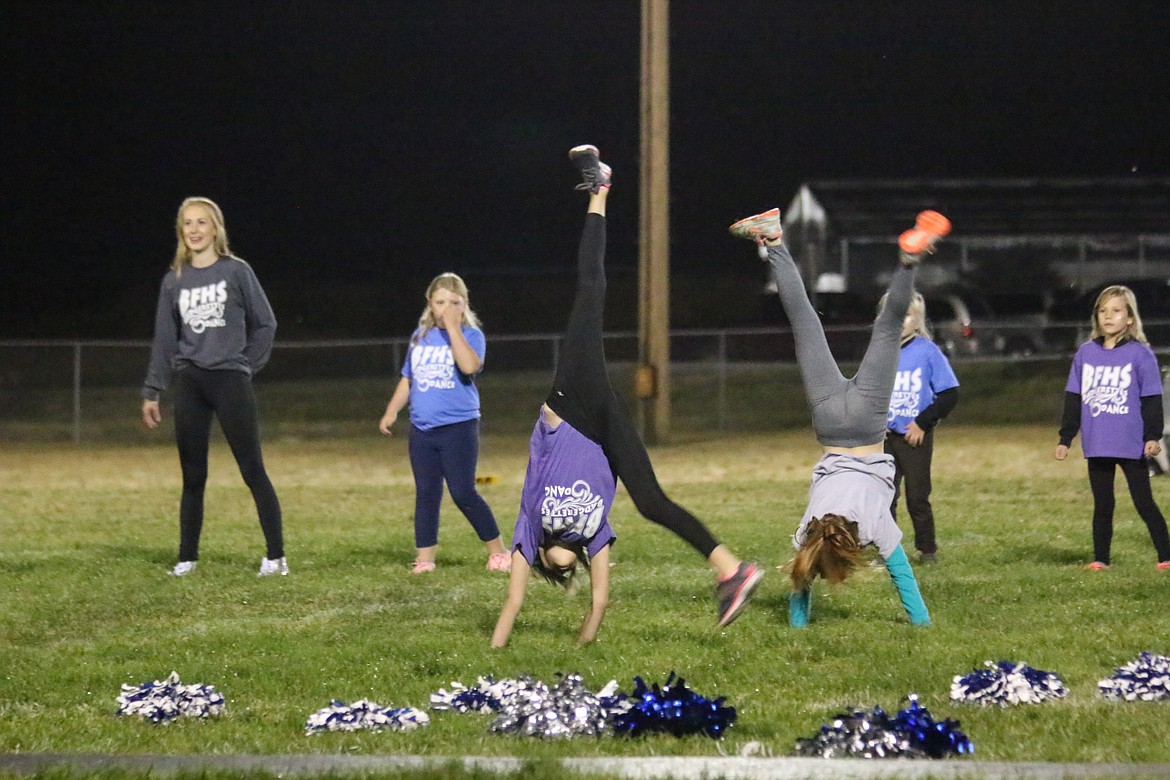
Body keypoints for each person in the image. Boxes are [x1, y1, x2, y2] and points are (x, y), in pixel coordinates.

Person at [491, 145, 764, 647]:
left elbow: (534, 475)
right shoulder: (586, 526)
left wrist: (498, 643)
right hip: (596, 417)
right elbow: (591, 592)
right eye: (570, 557)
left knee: (589, 290)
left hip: (570, 400)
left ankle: (600, 190)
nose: (568, 549)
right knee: (651, 501)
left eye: (563, 553)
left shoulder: (534, 520)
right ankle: (732, 570)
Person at [729, 207, 949, 627]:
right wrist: (797, 623)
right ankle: (774, 241)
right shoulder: (809, 531)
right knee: (806, 325)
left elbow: (904, 577)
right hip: (831, 421)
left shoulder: (875, 527)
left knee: (885, 329)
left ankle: (909, 261)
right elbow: (802, 577)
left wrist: (922, 621)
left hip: (867, 425)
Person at [141, 196, 286, 577]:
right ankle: (187, 558)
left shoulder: (237, 271)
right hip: (190, 381)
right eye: (187, 223)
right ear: (180, 230)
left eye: (201, 222)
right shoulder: (174, 280)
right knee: (192, 475)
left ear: (215, 228)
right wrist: (152, 389)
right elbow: (164, 338)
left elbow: (266, 324)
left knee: (252, 468)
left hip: (229, 380)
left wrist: (245, 367)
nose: (193, 229)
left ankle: (276, 557)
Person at [379, 272, 509, 574]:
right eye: (440, 302)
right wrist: (391, 410)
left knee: (463, 491)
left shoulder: (471, 336)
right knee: (426, 493)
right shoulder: (420, 336)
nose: (446, 307)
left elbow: (469, 366)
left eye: (454, 302)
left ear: (464, 305)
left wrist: (452, 328)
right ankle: (425, 559)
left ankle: (499, 552)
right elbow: (408, 378)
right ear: (430, 303)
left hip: (458, 427)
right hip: (422, 429)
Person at [1054, 284, 1170, 571]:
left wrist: (1152, 436)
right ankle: (1101, 559)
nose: (1108, 316)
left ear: (1129, 318)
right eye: (1103, 310)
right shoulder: (1085, 354)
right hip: (1098, 442)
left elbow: (1152, 399)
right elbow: (1074, 397)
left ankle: (1166, 556)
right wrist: (1065, 437)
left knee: (1144, 502)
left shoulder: (1140, 354)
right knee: (1102, 504)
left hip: (1130, 443)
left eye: (1116, 311)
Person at [884, 292, 960, 564]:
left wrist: (921, 423)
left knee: (917, 498)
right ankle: (887, 550)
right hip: (885, 438)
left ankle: (927, 550)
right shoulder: (880, 353)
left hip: (914, 437)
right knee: (884, 497)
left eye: (905, 315)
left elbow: (949, 394)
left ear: (916, 320)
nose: (899, 321)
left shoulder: (927, 351)